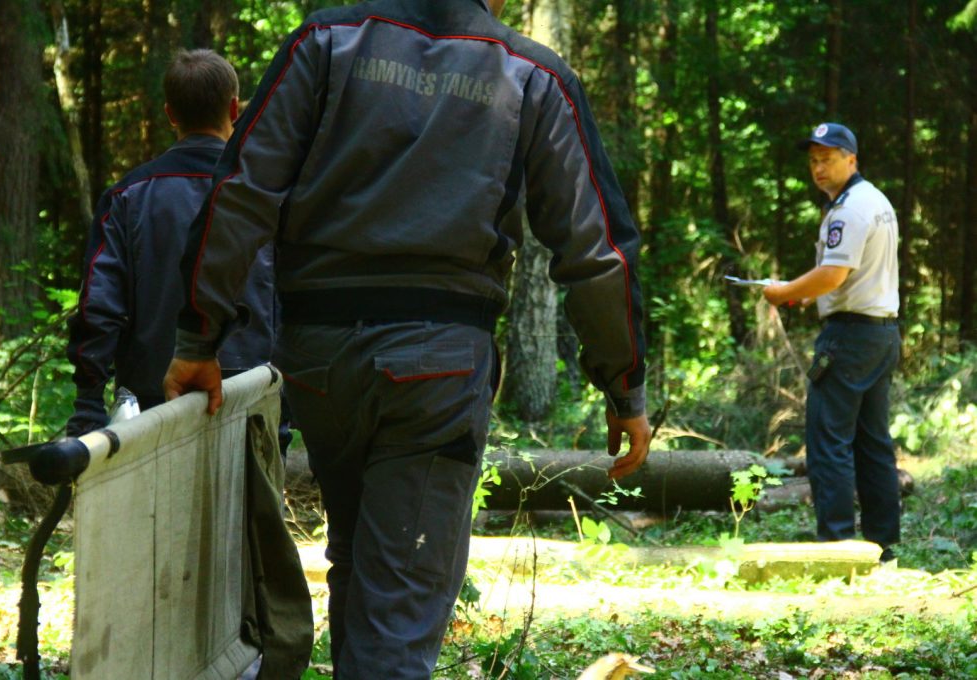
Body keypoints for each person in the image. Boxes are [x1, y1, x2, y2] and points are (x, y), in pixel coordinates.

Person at [164, 0, 652, 676]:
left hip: (318, 359)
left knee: (360, 561)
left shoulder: (324, 41)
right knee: (399, 601)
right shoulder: (531, 73)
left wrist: (198, 339)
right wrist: (624, 384)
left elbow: (242, 192)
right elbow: (597, 252)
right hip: (438, 366)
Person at [65, 49, 278, 437]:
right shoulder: (266, 194)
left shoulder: (126, 197)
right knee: (248, 499)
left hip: (157, 400)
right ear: (234, 109)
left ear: (170, 114)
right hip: (254, 393)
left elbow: (99, 304)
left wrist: (88, 404)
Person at [763, 122, 900, 563]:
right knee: (872, 442)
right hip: (880, 333)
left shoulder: (849, 209)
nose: (819, 168)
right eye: (813, 161)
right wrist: (810, 294)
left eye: (828, 158)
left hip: (849, 339)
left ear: (851, 159)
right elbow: (846, 278)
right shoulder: (873, 200)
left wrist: (783, 291)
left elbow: (833, 274)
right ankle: (882, 546)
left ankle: (838, 549)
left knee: (829, 441)